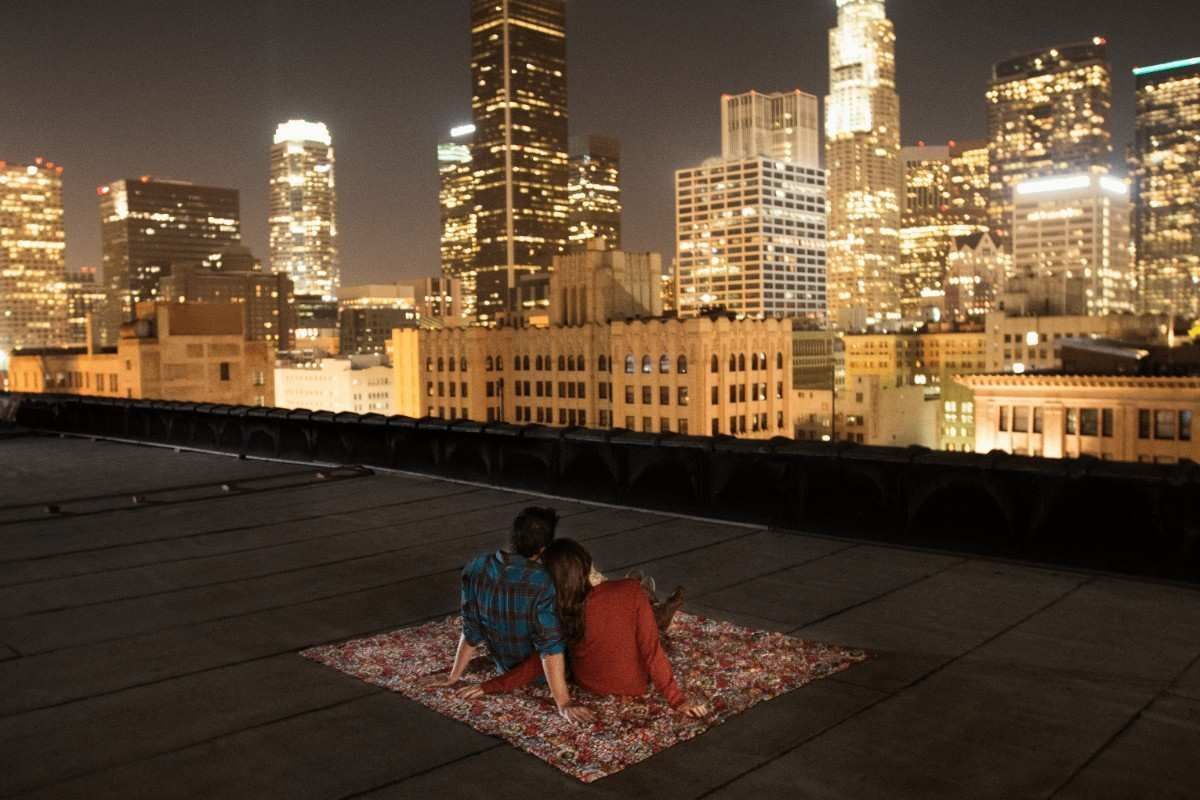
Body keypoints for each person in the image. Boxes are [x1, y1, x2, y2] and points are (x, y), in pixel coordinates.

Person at [458, 538, 709, 719]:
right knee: (650, 621)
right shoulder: (627, 591)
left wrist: (489, 686)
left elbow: (541, 661)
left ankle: (657, 606)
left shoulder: (558, 611)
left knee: (617, 616)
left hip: (589, 685)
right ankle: (658, 607)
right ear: (587, 566)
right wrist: (678, 701)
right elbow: (651, 652)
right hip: (635, 685)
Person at [420, 507, 593, 724]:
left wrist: (454, 675)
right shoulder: (544, 582)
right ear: (543, 548)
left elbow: (471, 628)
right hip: (537, 674)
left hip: (502, 665)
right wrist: (563, 702)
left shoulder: (476, 567)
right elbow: (550, 647)